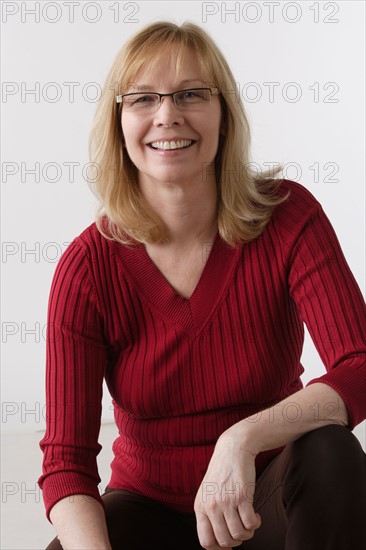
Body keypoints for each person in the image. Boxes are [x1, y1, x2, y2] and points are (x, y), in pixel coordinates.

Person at [39, 21, 366, 550]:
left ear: (224, 115)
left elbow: (360, 365)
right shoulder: (88, 267)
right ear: (119, 122)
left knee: (330, 452)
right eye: (143, 97)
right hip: (148, 512)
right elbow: (66, 465)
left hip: (266, 505)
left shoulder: (287, 217)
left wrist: (242, 438)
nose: (168, 114)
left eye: (191, 93)